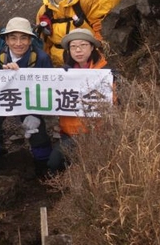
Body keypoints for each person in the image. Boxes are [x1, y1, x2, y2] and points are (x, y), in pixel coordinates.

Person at [0, 17, 53, 177]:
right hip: (2, 100)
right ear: (6, 40)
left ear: (30, 40)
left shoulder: (41, 58)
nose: (18, 43)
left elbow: (48, 89)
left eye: (23, 38)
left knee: (38, 133)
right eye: (13, 38)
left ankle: (43, 166)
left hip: (30, 102)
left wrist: (36, 113)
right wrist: (4, 76)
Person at [35, 0, 136, 67]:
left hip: (86, 63)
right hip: (57, 64)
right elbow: (43, 41)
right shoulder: (44, 11)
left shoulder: (82, 3)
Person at [47, 28, 114, 175]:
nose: (78, 50)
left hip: (98, 134)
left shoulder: (105, 73)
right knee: (54, 163)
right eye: (73, 46)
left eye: (83, 45)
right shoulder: (62, 74)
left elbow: (114, 105)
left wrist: (113, 83)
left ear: (92, 47)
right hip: (70, 134)